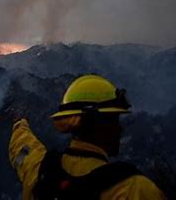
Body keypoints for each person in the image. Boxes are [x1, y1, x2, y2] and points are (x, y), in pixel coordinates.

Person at [9, 75, 165, 199]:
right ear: (99, 124)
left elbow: (23, 147)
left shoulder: (39, 172)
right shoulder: (133, 190)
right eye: (114, 119)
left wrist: (19, 123)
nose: (120, 128)